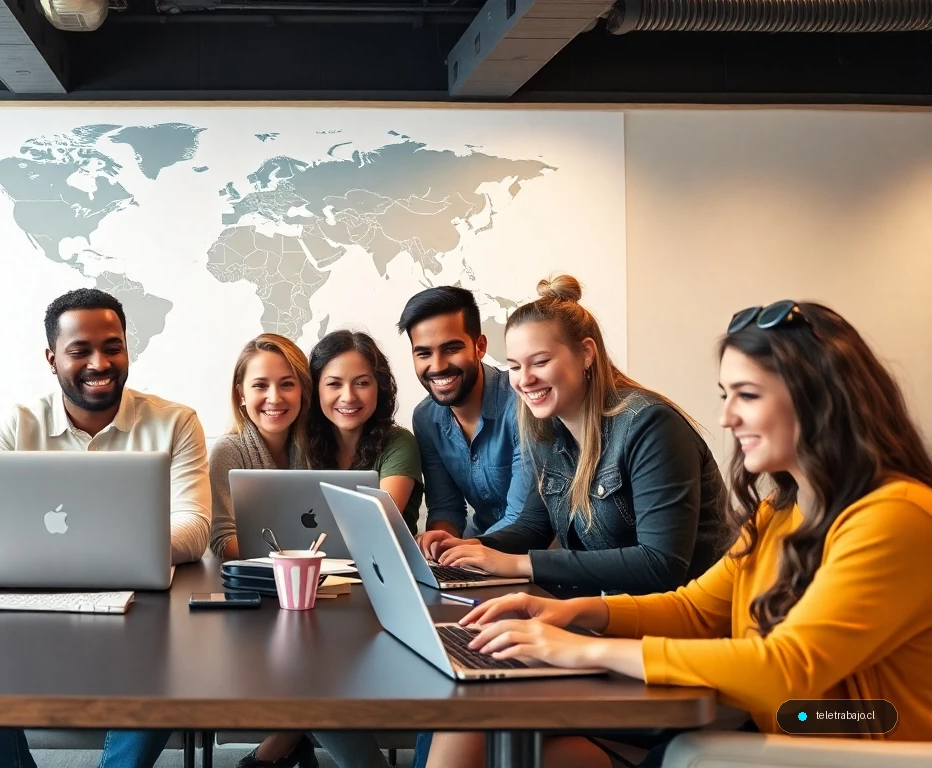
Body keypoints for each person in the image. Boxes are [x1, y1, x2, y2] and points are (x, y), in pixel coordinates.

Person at [442, 300, 932, 767]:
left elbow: (786, 669)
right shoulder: (779, 511)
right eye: (726, 395)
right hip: (789, 730)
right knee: (497, 728)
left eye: (747, 395)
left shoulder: (895, 515)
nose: (726, 417)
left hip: (847, 745)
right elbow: (696, 609)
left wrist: (580, 647)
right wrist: (574, 612)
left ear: (819, 400)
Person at [0, 287, 211, 768]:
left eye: (113, 347)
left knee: (170, 655)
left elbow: (194, 526)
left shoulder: (176, 422)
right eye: (80, 351)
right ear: (52, 359)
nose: (100, 363)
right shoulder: (18, 424)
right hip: (32, 603)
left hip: (141, 607)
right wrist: (117, 552)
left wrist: (105, 557)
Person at [432, 275, 730, 596]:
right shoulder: (548, 429)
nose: (524, 380)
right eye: (515, 367)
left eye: (540, 362)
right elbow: (533, 526)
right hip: (618, 609)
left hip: (691, 616)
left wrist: (521, 564)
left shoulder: (650, 425)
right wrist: (468, 549)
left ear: (586, 353)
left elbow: (661, 564)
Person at [397, 286, 532, 554]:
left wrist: (462, 550)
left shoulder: (522, 404)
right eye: (423, 353)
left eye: (451, 349)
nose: (437, 366)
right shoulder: (425, 418)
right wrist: (437, 543)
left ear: (480, 347)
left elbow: (521, 519)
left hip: (532, 556)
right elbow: (446, 507)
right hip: (475, 551)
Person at [208, 333, 313, 561]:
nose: (274, 398)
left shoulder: (316, 447)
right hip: (255, 576)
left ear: (303, 390)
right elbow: (222, 540)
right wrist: (294, 555)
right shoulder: (228, 451)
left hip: (315, 574)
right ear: (241, 394)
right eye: (260, 386)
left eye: (287, 384)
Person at [307, 329, 423, 531]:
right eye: (334, 384)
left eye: (361, 383)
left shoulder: (399, 442)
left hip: (381, 552)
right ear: (316, 389)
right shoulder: (305, 441)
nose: (348, 397)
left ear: (380, 387)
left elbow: (376, 524)